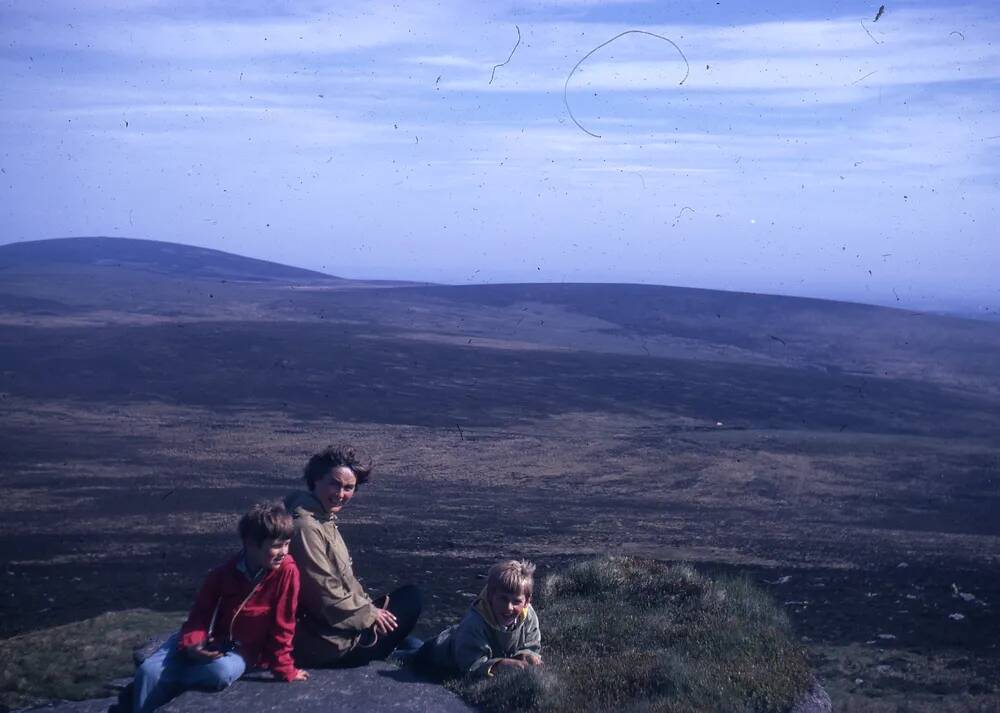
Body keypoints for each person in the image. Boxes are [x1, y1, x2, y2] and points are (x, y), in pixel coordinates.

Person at [131, 503, 308, 713]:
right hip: (209, 638)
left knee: (220, 672)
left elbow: (284, 623)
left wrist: (284, 669)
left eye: (287, 544)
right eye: (277, 545)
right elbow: (200, 614)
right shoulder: (222, 574)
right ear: (251, 543)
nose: (284, 552)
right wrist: (193, 643)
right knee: (147, 672)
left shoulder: (287, 572)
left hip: (241, 649)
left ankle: (167, 681)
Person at [285, 444, 422, 667]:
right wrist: (370, 615)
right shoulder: (306, 528)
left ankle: (403, 650)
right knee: (412, 599)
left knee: (410, 636)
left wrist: (370, 609)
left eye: (348, 488)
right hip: (326, 643)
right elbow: (322, 593)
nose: (340, 494)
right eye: (334, 484)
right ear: (316, 479)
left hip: (329, 627)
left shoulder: (321, 518)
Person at [410, 559, 542, 678]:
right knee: (409, 656)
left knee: (414, 645)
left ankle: (411, 642)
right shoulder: (475, 622)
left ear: (527, 602)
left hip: (456, 638)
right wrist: (499, 665)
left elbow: (532, 645)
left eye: (516, 602)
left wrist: (527, 655)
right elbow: (471, 665)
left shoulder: (528, 616)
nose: (509, 607)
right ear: (490, 596)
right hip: (441, 651)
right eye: (503, 599)